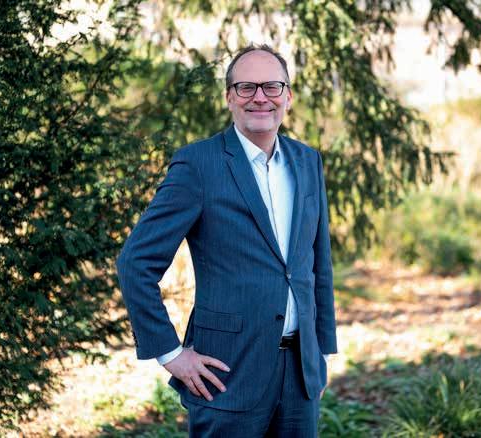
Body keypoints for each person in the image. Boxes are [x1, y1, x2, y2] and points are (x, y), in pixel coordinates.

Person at [116, 44, 337, 437]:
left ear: (288, 96)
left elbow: (317, 263)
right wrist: (170, 353)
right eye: (246, 87)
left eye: (271, 86)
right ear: (229, 97)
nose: (260, 97)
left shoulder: (308, 161)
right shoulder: (198, 164)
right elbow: (136, 263)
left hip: (300, 375)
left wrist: (321, 352)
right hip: (226, 374)